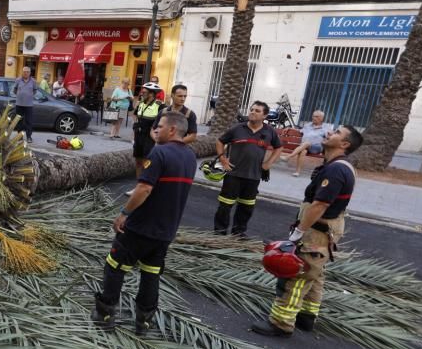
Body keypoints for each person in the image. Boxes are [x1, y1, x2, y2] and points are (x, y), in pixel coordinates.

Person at [252, 126, 364, 337]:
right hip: (325, 230)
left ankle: (281, 323)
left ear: (345, 144)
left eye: (337, 133)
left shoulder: (336, 170)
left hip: (316, 231)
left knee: (298, 275)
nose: (330, 132)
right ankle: (306, 316)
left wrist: (298, 233)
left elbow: (319, 205)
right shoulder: (339, 166)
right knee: (315, 274)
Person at [92, 111, 197, 335]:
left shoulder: (159, 153)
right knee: (151, 274)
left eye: (160, 126)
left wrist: (124, 213)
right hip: (165, 231)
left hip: (140, 227)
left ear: (172, 130)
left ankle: (105, 314)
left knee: (115, 266)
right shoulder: (189, 157)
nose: (156, 130)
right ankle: (144, 321)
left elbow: (144, 188)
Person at [213, 101, 283, 236]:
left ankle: (238, 234)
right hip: (233, 174)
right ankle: (219, 233)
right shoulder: (238, 128)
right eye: (252, 109)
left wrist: (268, 163)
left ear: (265, 115)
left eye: (257, 111)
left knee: (246, 207)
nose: (252, 112)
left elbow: (279, 147)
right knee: (225, 206)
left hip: (253, 176)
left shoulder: (270, 132)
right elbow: (220, 141)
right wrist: (222, 159)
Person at [281, 110, 331, 177]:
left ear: (321, 118)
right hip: (304, 146)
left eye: (316, 116)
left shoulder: (325, 128)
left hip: (316, 147)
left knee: (306, 143)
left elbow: (330, 136)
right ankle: (297, 172)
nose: (313, 118)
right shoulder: (308, 125)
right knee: (303, 151)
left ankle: (288, 157)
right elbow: (300, 130)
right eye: (313, 116)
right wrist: (289, 128)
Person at [131, 82, 163, 181]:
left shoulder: (160, 106)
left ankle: (146, 184)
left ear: (151, 94)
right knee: (138, 161)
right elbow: (135, 116)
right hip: (138, 136)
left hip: (149, 137)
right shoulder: (140, 103)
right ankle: (138, 185)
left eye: (144, 92)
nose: (141, 94)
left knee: (146, 162)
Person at [14, 65, 37, 143]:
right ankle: (20, 137)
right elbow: (15, 90)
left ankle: (29, 137)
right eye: (24, 72)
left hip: (29, 105)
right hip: (19, 104)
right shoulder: (18, 80)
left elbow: (35, 90)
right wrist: (20, 95)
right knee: (19, 121)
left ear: (30, 73)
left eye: (27, 72)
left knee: (29, 121)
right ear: (22, 72)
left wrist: (29, 96)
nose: (26, 73)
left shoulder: (33, 81)